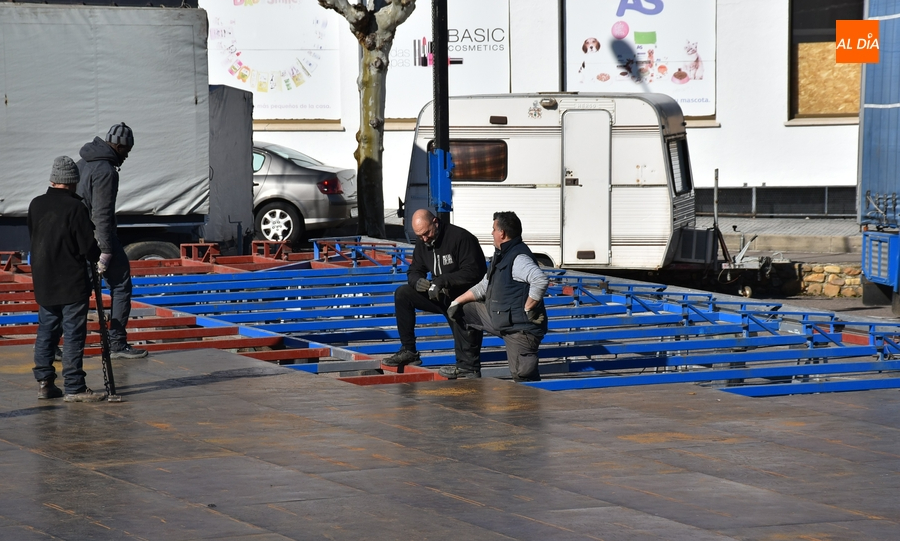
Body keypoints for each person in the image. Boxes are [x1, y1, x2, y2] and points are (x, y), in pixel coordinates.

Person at [29, 156, 107, 402]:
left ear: (53, 179)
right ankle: (74, 386)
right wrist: (100, 258)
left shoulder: (35, 204)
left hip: (43, 279)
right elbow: (87, 247)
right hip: (71, 281)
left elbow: (35, 236)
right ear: (73, 182)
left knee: (47, 330)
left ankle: (45, 383)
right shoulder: (76, 207)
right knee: (73, 333)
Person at [444, 211, 549, 381]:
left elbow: (540, 280)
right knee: (464, 310)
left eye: (493, 229)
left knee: (523, 377)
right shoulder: (501, 255)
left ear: (502, 233)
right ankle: (468, 367)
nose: (491, 233)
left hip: (520, 328)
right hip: (501, 318)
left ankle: (530, 405)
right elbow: (485, 285)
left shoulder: (518, 257)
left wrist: (529, 307)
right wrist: (457, 301)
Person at [382, 209, 487, 372]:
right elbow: (414, 270)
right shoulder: (423, 242)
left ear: (435, 222)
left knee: (462, 317)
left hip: (464, 297)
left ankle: (468, 368)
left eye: (426, 233)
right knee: (403, 294)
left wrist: (443, 281)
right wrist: (417, 282)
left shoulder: (461, 238)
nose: (424, 239)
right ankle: (409, 350)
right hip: (440, 295)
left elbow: (474, 272)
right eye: (419, 236)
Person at [76, 122, 147, 359]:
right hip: (98, 238)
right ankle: (117, 343)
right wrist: (106, 250)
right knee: (121, 284)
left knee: (76, 292)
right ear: (117, 146)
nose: (127, 155)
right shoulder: (106, 171)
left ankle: (54, 344)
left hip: (78, 236)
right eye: (127, 150)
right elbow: (102, 214)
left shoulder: (83, 162)